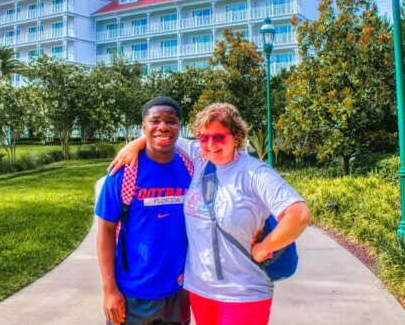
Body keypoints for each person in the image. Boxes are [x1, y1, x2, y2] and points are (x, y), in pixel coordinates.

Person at [109, 102, 311, 325]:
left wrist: (264, 247)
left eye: (219, 137)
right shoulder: (200, 158)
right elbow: (163, 135)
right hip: (200, 292)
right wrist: (133, 145)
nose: (210, 144)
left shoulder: (254, 172)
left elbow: (298, 214)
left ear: (236, 137)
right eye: (203, 137)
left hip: (243, 293)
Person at [95, 97, 192, 325]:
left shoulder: (190, 167)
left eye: (171, 121)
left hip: (179, 291)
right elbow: (106, 231)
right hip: (132, 295)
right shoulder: (122, 173)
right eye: (154, 121)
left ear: (180, 126)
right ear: (143, 127)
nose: (163, 126)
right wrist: (109, 290)